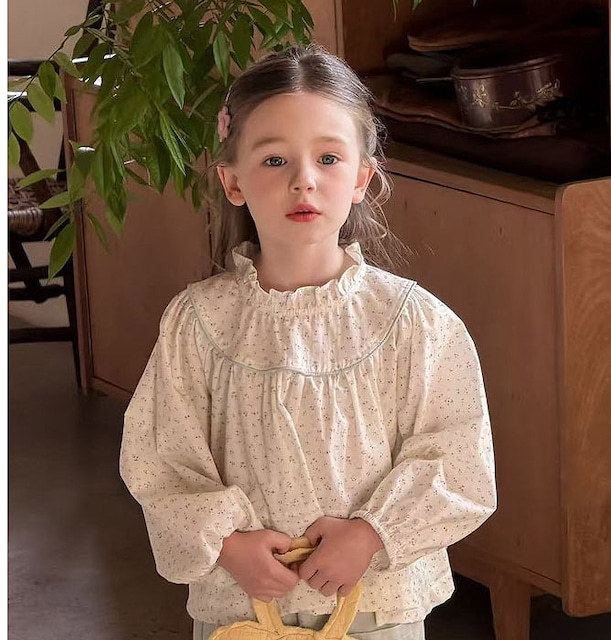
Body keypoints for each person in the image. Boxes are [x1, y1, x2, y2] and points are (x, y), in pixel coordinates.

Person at [120, 44, 497, 640]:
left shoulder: (414, 323)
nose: (304, 181)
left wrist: (370, 534)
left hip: (377, 609)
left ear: (362, 178)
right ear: (232, 181)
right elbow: (159, 459)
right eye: (274, 160)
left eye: (328, 158)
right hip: (241, 607)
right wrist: (228, 544)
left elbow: (459, 460)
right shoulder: (198, 322)